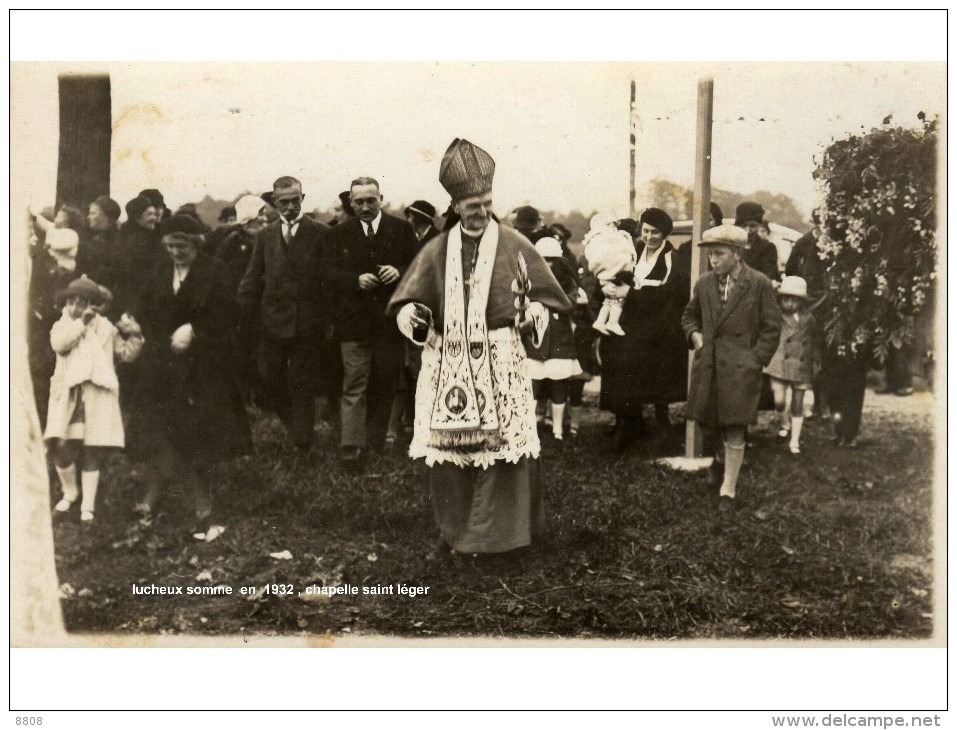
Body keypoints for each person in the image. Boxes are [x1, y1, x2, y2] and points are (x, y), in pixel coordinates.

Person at [387, 137, 572, 555]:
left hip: (500, 354)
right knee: (449, 452)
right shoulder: (436, 250)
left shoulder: (516, 245)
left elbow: (545, 302)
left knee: (505, 444)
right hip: (447, 357)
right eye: (473, 205)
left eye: (488, 202)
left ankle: (499, 538)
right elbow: (407, 305)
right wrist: (414, 319)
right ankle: (457, 532)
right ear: (456, 206)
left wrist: (531, 319)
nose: (483, 211)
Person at [128, 221, 251, 540]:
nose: (175, 253)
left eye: (181, 247)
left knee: (198, 436)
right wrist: (133, 322)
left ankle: (204, 505)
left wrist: (195, 329)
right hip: (163, 365)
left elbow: (232, 316)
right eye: (169, 247)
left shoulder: (216, 271)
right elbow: (144, 306)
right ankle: (153, 494)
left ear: (196, 243)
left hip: (202, 369)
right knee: (159, 429)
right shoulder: (160, 270)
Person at [682, 224, 781, 511]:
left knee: (735, 426)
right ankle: (718, 457)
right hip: (709, 365)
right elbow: (689, 317)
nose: (713, 260)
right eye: (711, 255)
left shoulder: (759, 283)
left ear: (737, 254)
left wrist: (755, 360)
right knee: (708, 424)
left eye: (719, 254)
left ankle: (729, 488)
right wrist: (695, 336)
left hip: (740, 369)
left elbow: (771, 328)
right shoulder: (703, 284)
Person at [324, 176, 420, 464]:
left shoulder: (402, 230)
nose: (365, 207)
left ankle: (375, 442)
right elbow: (326, 274)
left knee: (386, 382)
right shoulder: (338, 234)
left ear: (381, 199)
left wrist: (398, 271)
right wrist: (355, 279)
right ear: (350, 203)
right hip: (354, 324)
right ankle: (352, 448)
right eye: (359, 201)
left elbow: (418, 268)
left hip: (389, 324)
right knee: (354, 383)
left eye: (371, 200)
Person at [238, 176, 328, 453]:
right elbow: (252, 277)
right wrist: (243, 311)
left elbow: (329, 281)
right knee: (268, 377)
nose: (290, 206)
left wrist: (326, 320)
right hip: (271, 322)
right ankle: (294, 424)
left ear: (303, 198)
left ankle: (303, 443)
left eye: (295, 200)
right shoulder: (265, 236)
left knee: (302, 382)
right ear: (274, 203)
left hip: (306, 323)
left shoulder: (321, 232)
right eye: (284, 202)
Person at [44, 276, 143, 523]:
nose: (76, 308)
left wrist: (136, 336)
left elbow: (124, 354)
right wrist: (81, 325)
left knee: (92, 448)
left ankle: (88, 505)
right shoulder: (62, 325)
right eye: (71, 302)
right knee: (63, 447)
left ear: (94, 305)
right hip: (70, 395)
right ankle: (70, 493)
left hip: (97, 395)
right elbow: (60, 345)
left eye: (83, 303)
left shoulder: (106, 328)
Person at [600, 207, 690, 448]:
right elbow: (618, 276)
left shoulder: (672, 258)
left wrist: (633, 292)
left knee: (641, 360)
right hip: (628, 319)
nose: (649, 237)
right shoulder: (634, 251)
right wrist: (610, 287)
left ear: (665, 235)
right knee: (615, 354)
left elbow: (671, 293)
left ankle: (659, 423)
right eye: (646, 231)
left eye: (655, 233)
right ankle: (626, 420)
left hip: (657, 325)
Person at [524, 237, 581, 441]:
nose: (547, 264)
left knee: (559, 385)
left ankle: (557, 429)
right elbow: (522, 302)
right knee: (532, 385)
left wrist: (542, 300)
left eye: (551, 259)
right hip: (536, 342)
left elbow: (568, 304)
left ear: (559, 260)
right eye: (543, 259)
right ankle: (529, 428)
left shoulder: (567, 281)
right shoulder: (528, 279)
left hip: (560, 340)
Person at [764, 276, 821, 455]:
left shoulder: (808, 318)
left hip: (801, 365)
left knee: (798, 403)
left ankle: (794, 440)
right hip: (779, 363)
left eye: (795, 299)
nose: (790, 303)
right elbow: (766, 302)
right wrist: (774, 288)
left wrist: (816, 361)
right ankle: (784, 422)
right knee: (779, 401)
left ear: (801, 301)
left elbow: (815, 340)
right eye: (786, 298)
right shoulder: (776, 314)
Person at [583, 214, 636, 336]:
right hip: (616, 281)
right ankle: (611, 322)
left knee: (609, 301)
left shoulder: (595, 243)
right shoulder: (619, 246)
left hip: (607, 281)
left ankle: (602, 321)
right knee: (618, 299)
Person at [76, 196, 122, 290]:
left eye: (93, 213)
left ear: (106, 216)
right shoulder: (97, 239)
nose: (88, 217)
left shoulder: (116, 241)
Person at [735, 202, 780, 283]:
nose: (748, 231)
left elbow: (768, 277)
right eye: (744, 225)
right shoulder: (729, 245)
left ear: (759, 225)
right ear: (737, 225)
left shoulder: (768, 249)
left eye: (753, 226)